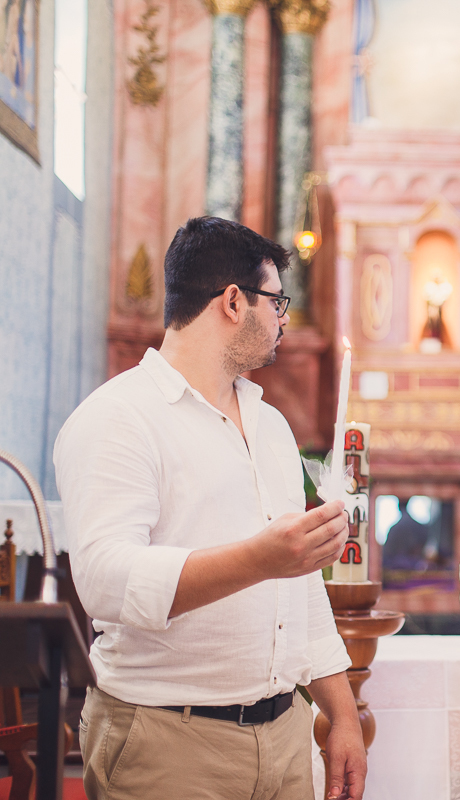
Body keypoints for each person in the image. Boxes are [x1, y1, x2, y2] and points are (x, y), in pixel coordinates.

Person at [54, 217, 367, 800]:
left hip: (286, 734)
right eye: (276, 302)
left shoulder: (271, 425)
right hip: (169, 742)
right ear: (233, 302)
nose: (284, 319)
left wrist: (342, 716)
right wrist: (260, 559)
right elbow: (105, 582)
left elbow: (299, 589)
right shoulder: (118, 418)